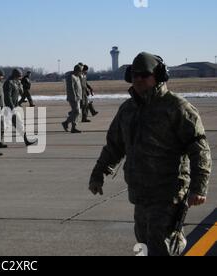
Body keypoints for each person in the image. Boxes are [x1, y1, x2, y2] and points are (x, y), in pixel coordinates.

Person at [88, 52, 212, 256]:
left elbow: (199, 148)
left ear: (159, 75)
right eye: (134, 74)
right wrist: (98, 175)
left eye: (144, 74)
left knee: (161, 246)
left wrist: (199, 187)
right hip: (140, 194)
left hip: (168, 194)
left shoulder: (177, 108)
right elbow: (113, 147)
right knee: (145, 243)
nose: (138, 79)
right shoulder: (128, 110)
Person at [3, 68, 38, 147]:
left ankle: (26, 140)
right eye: (19, 76)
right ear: (15, 75)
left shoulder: (17, 82)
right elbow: (7, 97)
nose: (20, 78)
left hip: (14, 106)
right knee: (6, 125)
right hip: (9, 107)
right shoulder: (8, 83)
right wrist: (12, 108)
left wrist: (23, 97)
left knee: (16, 124)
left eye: (20, 76)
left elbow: (21, 91)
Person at [62, 65, 83, 134]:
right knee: (77, 112)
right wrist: (74, 97)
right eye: (80, 71)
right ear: (77, 70)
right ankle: (67, 123)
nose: (81, 72)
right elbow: (71, 88)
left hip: (78, 97)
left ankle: (73, 127)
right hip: (73, 98)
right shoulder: (71, 77)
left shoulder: (77, 77)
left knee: (76, 112)